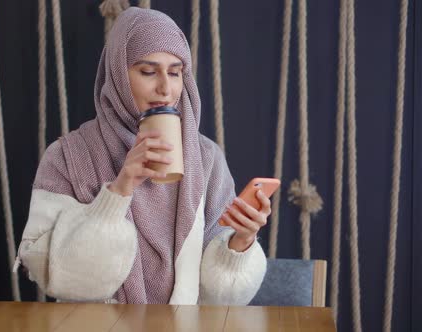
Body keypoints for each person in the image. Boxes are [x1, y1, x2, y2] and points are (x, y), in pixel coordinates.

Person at [14, 7, 270, 305]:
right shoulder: (67, 156)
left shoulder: (206, 158)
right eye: (148, 72)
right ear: (118, 76)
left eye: (175, 73)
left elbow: (220, 299)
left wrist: (240, 243)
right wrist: (120, 189)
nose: (165, 88)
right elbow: (52, 275)